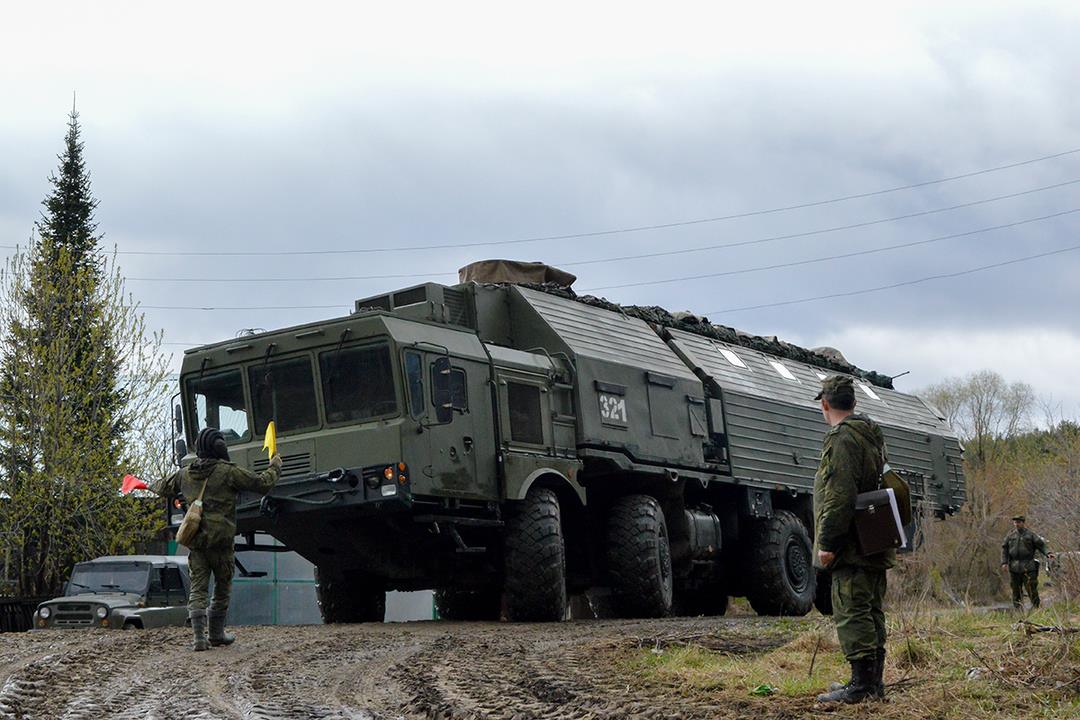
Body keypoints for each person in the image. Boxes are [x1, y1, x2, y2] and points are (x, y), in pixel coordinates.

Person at [154, 427, 281, 651]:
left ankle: (198, 638)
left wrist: (144, 484)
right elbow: (262, 484)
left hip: (196, 542)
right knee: (222, 587)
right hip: (221, 543)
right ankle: (216, 634)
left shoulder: (184, 474)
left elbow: (162, 487)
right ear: (219, 447)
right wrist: (275, 466)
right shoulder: (228, 472)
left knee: (198, 588)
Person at [812, 375, 893, 704]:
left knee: (851, 610)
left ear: (825, 404)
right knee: (870, 609)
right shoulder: (871, 434)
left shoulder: (842, 438)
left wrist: (827, 542)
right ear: (854, 403)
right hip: (874, 533)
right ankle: (872, 683)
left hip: (852, 541)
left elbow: (840, 495)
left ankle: (861, 687)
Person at [1001, 515, 1054, 611]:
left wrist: (1048, 553)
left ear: (1023, 523)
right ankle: (1018, 610)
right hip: (1014, 567)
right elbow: (1005, 550)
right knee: (1016, 590)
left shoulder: (1031, 535)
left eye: (1019, 522)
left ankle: (1036, 608)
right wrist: (1004, 562)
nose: (1017, 524)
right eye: (1015, 522)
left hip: (1028, 566)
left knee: (1031, 588)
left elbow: (1042, 545)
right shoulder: (1010, 536)